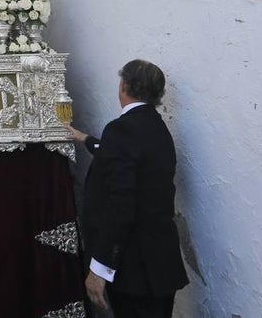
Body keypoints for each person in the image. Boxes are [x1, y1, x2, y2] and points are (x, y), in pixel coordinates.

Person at [64, 59, 189, 317]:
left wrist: (100, 269)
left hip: (135, 269)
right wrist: (85, 139)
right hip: (161, 263)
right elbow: (130, 159)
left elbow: (120, 206)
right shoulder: (156, 127)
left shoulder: (121, 131)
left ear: (123, 86)